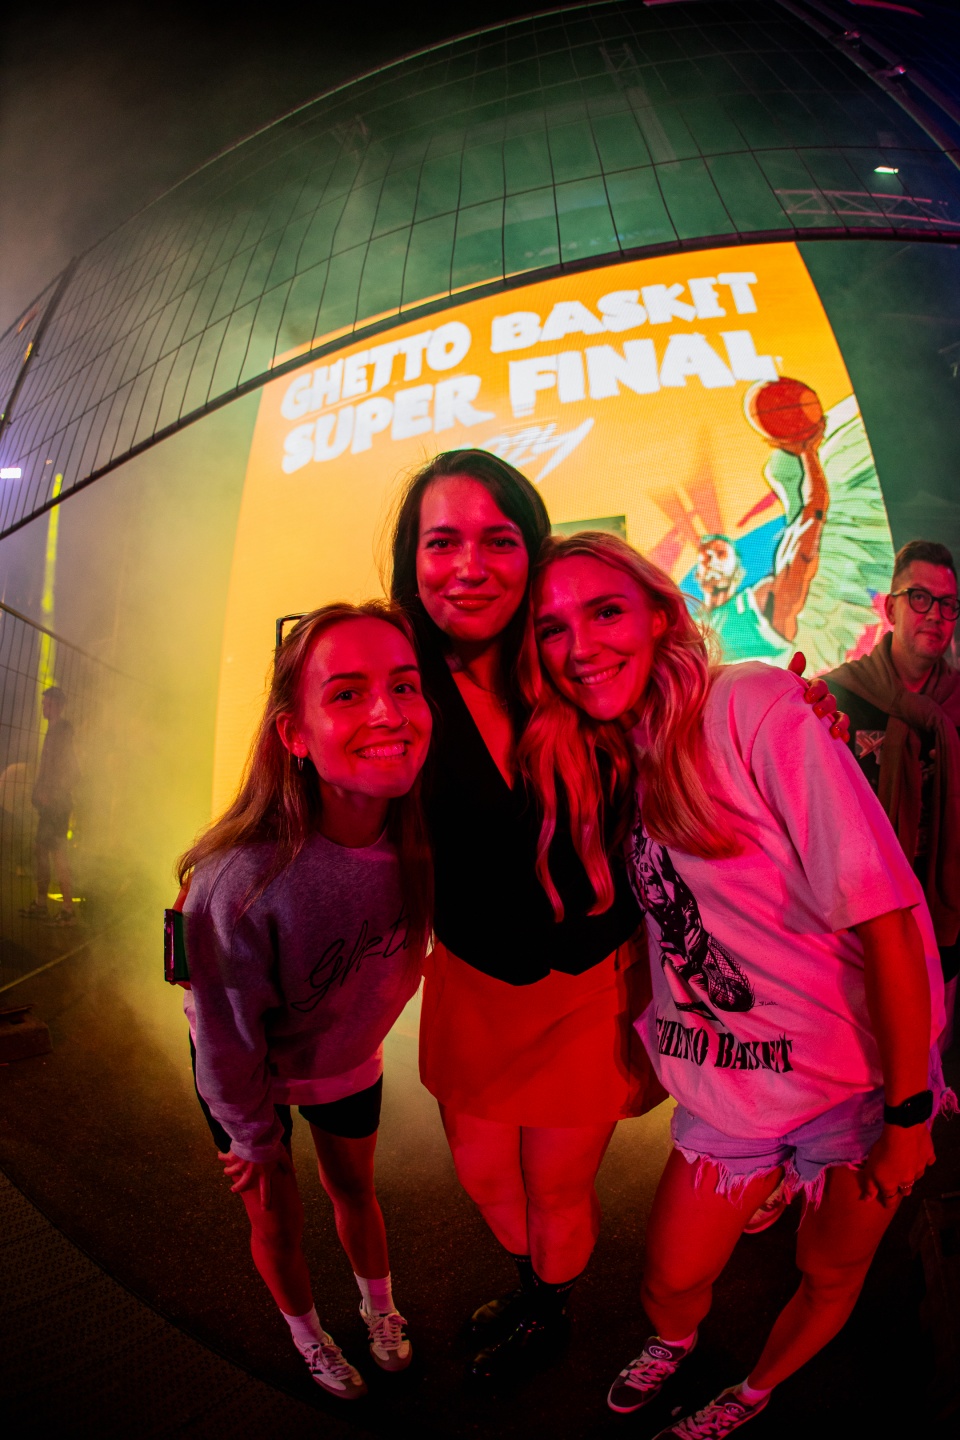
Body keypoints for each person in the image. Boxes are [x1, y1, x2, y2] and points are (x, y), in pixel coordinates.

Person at [387, 449, 844, 1380]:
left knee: (556, 1187)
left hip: (589, 984)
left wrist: (801, 715)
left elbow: (701, 721)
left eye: (498, 539)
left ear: (533, 550)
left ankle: (547, 1308)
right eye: (442, 542)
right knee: (484, 1177)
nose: (469, 565)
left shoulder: (573, 663)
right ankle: (531, 1281)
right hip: (472, 982)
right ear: (411, 557)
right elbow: (319, 769)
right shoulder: (400, 675)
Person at [523, 530, 950, 1438]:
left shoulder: (748, 703)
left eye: (605, 611)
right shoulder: (604, 759)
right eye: (551, 628)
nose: (580, 645)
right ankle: (675, 1339)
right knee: (669, 1277)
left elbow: (884, 916)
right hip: (731, 1081)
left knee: (828, 1271)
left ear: (660, 616)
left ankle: (752, 1392)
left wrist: (909, 1116)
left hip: (856, 1081)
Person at [177, 602, 432, 1399]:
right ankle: (307, 1335)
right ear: (294, 734)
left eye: (405, 685)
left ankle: (378, 1310)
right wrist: (251, 1136)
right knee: (275, 1217)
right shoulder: (235, 882)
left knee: (355, 1189)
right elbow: (222, 1035)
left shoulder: (425, 840)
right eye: (348, 693)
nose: (387, 712)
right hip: (249, 1072)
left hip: (344, 1057)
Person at [826, 540, 960, 1052]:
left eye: (948, 604)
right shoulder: (836, 697)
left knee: (933, 1048)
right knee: (863, 1052)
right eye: (920, 598)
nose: (936, 615)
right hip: (864, 917)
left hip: (944, 913)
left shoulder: (958, 702)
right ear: (890, 608)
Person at [22, 685, 79, 923]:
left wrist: (53, 794)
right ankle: (41, 903)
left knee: (58, 854)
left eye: (48, 703)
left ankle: (68, 909)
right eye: (44, 703)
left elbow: (71, 769)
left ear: (58, 706)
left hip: (57, 805)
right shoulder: (54, 731)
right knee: (42, 850)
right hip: (51, 804)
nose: (44, 707)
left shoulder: (62, 732)